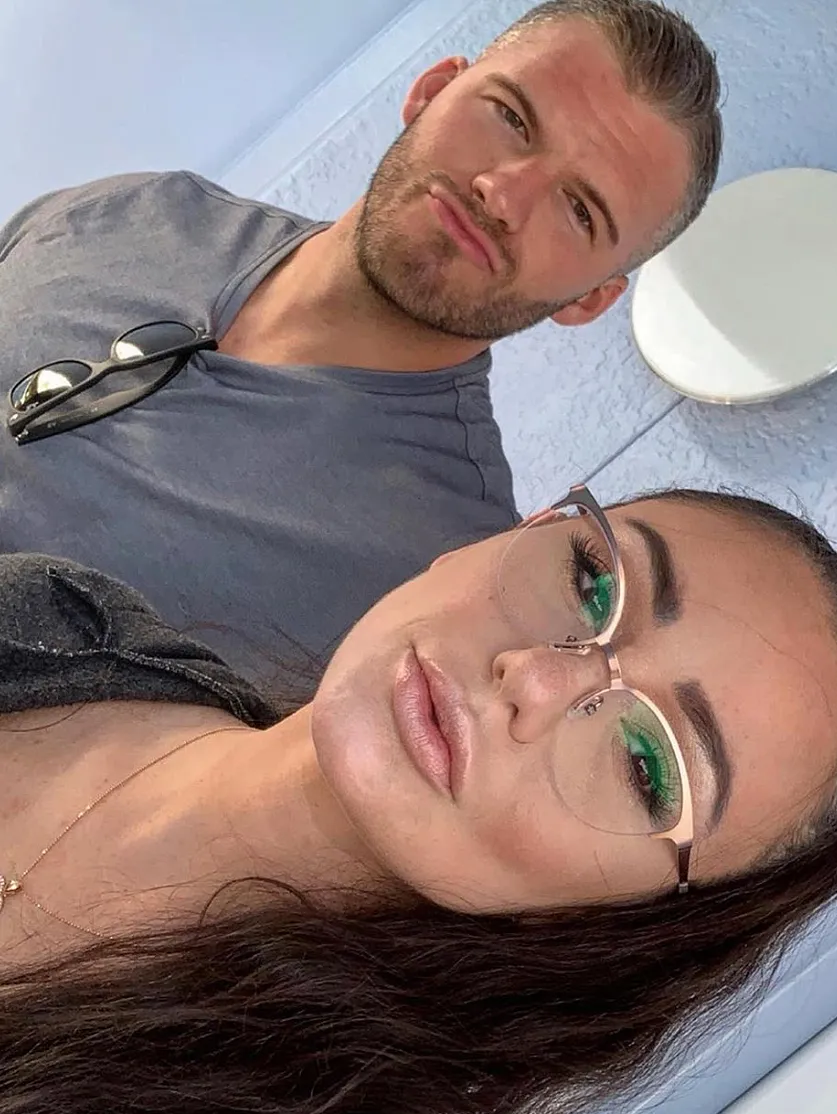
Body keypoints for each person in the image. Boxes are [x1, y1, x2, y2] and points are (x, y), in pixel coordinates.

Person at [0, 483, 837, 1114]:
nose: (536, 677)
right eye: (591, 581)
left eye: (644, 765)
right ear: (498, 538)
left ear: (617, 930)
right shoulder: (65, 619)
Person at [0, 0, 722, 691]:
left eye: (579, 209)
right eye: (511, 117)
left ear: (591, 299)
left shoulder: (439, 584)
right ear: (432, 90)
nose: (503, 193)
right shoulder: (134, 208)